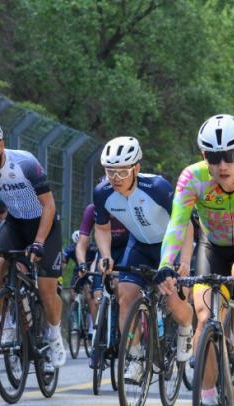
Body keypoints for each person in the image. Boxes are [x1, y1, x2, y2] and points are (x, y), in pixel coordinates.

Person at [157, 114, 234, 404]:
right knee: (204, 317)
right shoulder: (192, 178)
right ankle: (208, 396)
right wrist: (165, 265)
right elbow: (177, 224)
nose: (222, 165)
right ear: (204, 157)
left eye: (230, 156)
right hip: (211, 246)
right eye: (214, 157)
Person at [0, 120, 65, 367]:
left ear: (1, 145)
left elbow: (49, 205)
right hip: (16, 223)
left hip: (44, 224)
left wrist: (39, 242)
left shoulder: (26, 163)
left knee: (47, 290)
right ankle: (6, 322)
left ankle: (54, 334)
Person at [93, 136, 194, 382]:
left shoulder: (157, 187)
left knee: (173, 300)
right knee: (125, 296)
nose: (115, 178)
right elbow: (102, 228)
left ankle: (185, 329)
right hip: (138, 245)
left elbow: (185, 223)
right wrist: (106, 256)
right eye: (110, 172)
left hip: (169, 245)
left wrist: (185, 260)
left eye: (122, 171)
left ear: (136, 168)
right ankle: (136, 357)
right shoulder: (102, 193)